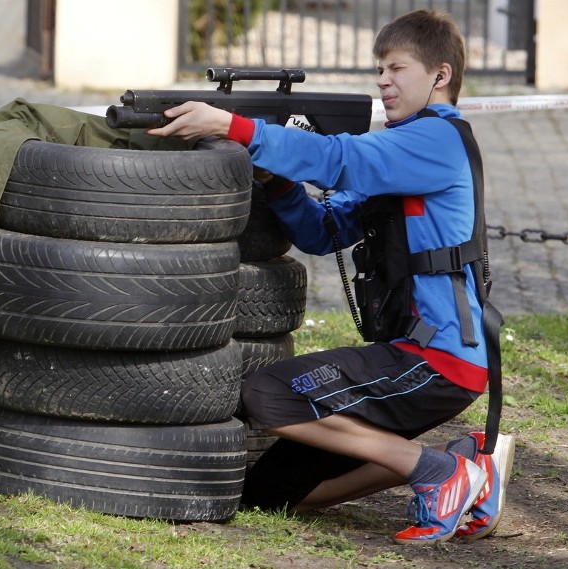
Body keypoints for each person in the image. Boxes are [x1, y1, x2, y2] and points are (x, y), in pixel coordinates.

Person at [148, 9, 514, 544]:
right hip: (418, 361)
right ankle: (465, 468)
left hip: (435, 362)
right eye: (379, 69)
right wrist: (277, 183)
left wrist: (235, 127)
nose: (383, 81)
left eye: (397, 68)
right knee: (267, 494)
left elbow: (337, 158)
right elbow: (322, 232)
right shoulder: (402, 147)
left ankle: (438, 473)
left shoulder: (435, 141)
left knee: (269, 395)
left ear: (439, 75)